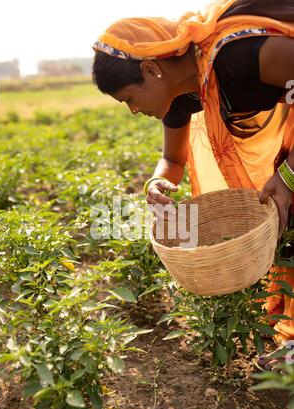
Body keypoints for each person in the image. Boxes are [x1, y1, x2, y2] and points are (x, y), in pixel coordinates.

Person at [92, 0, 294, 370]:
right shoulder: (182, 94)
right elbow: (172, 160)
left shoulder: (236, 54)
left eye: (129, 100)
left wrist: (289, 175)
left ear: (152, 69)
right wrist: (157, 182)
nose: (133, 111)